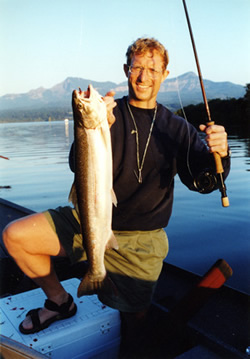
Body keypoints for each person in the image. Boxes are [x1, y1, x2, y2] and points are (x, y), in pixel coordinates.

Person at [2, 37, 230, 345]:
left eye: (152, 68)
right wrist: (96, 127)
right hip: (88, 221)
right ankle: (60, 301)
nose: (143, 76)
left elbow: (204, 183)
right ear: (126, 70)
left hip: (141, 241)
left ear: (165, 73)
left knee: (135, 320)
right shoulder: (107, 114)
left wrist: (221, 153)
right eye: (137, 67)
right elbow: (76, 163)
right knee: (15, 235)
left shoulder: (177, 128)